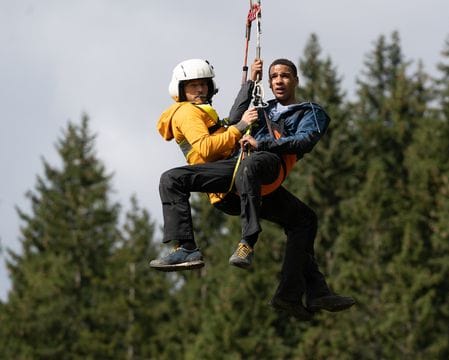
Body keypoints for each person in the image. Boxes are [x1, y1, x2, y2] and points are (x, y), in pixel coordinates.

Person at [218, 58, 356, 319]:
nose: (279, 81)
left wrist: (265, 144)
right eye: (274, 77)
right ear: (269, 83)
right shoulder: (262, 110)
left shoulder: (310, 112)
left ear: (295, 80)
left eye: (285, 76)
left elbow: (304, 141)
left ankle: (300, 294)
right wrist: (249, 84)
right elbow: (234, 121)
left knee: (303, 220)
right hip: (248, 175)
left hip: (267, 176)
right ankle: (306, 292)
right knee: (303, 219)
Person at [149, 58, 259, 271]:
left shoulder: (204, 113)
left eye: (204, 84)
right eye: (193, 85)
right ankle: (186, 247)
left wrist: (250, 83)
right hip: (228, 174)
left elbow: (232, 120)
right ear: (181, 89)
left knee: (302, 218)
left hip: (231, 175)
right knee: (171, 179)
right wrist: (242, 126)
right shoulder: (187, 112)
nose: (200, 89)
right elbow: (207, 148)